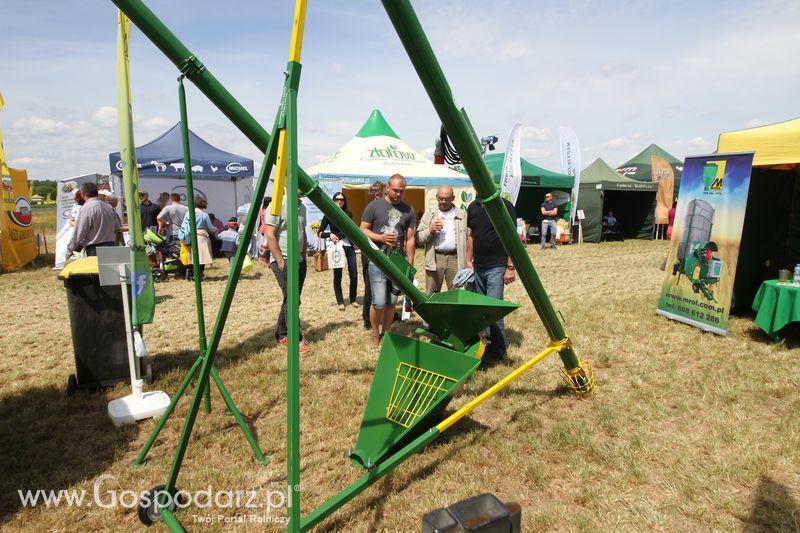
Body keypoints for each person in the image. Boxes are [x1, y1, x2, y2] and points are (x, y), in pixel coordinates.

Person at [360, 174, 416, 346]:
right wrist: (380, 237)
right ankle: (374, 332)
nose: (399, 194)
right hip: (378, 260)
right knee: (378, 301)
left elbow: (411, 238)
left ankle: (387, 332)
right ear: (387, 188)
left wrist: (410, 265)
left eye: (402, 191)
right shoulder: (374, 206)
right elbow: (362, 229)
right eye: (395, 190)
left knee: (392, 302)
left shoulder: (408, 210)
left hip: (398, 263)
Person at [465, 197, 517, 360]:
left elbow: (512, 238)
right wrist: (468, 259)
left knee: (493, 309)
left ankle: (498, 351)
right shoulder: (473, 207)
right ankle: (486, 347)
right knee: (481, 310)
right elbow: (472, 236)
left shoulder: (504, 206)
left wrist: (510, 267)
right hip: (478, 266)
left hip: (497, 266)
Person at [265, 189, 310, 354]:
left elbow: (302, 232)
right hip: (283, 260)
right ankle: (294, 338)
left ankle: (281, 333)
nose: (301, 187)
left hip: (298, 260)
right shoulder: (278, 204)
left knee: (292, 299)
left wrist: (304, 256)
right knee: (292, 299)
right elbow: (270, 234)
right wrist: (279, 261)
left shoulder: (302, 207)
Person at [417, 185, 467, 294]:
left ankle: (452, 311)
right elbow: (419, 238)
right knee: (432, 295)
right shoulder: (429, 214)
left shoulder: (462, 215)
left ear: (453, 198)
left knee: (455, 294)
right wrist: (430, 230)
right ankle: (432, 311)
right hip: (435, 258)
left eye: (447, 199)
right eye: (440, 198)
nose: (443, 201)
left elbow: (469, 238)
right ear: (436, 197)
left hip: (455, 258)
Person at [318, 192, 358, 311]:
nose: (339, 201)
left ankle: (353, 299)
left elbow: (348, 230)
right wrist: (329, 234)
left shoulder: (348, 214)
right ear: (333, 200)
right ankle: (340, 301)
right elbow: (319, 233)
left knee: (354, 274)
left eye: (342, 200)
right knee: (337, 275)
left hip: (348, 246)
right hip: (335, 247)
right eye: (337, 199)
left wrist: (337, 235)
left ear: (345, 201)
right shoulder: (328, 215)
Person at [65, 181, 120, 259]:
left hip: (95, 249)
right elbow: (117, 226)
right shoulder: (109, 207)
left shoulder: (86, 208)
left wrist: (70, 250)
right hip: (111, 246)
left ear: (83, 194)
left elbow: (79, 232)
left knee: (96, 270)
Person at [360, 181, 385, 329]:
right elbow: (364, 231)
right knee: (370, 287)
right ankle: (367, 321)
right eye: (385, 193)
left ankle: (389, 314)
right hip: (370, 254)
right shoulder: (371, 209)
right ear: (377, 195)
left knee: (386, 286)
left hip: (385, 253)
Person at [181, 196, 216, 279]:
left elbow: (183, 225)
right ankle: (198, 275)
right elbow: (211, 228)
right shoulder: (205, 215)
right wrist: (216, 230)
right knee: (202, 257)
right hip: (201, 236)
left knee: (192, 255)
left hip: (190, 236)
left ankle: (190, 272)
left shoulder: (188, 213)